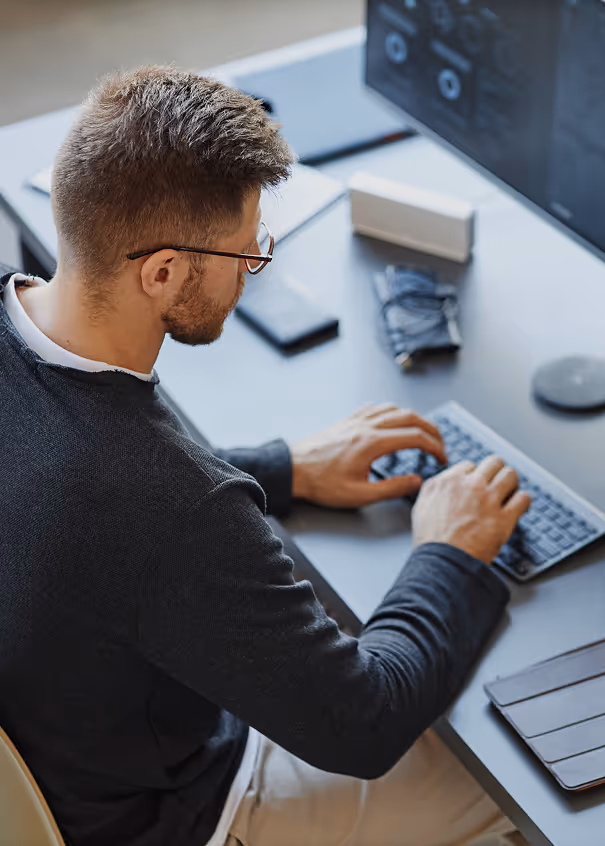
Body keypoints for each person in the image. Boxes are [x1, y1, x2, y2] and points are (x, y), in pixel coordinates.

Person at [0, 65, 531, 846]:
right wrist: (448, 552)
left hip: (73, 754)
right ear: (164, 273)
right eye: (246, 256)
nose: (253, 269)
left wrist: (284, 469)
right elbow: (364, 722)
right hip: (180, 815)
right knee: (516, 772)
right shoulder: (171, 506)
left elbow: (69, 474)